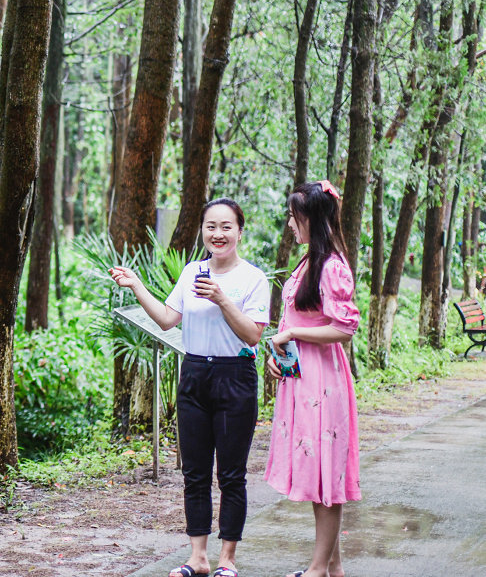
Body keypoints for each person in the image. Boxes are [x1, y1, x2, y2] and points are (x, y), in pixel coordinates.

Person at [110, 199, 269, 577]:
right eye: (211, 226)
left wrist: (222, 299)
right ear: (202, 230)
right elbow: (167, 320)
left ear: (239, 232)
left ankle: (227, 559)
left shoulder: (253, 278)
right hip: (195, 374)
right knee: (195, 472)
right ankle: (197, 557)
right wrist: (137, 286)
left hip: (235, 377)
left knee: (230, 473)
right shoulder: (191, 272)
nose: (218, 234)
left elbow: (253, 335)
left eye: (226, 227)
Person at [265, 180, 360, 577]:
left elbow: (344, 328)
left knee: (327, 472)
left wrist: (292, 334)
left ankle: (318, 569)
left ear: (314, 220)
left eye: (295, 216)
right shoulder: (309, 262)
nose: (290, 223)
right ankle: (332, 566)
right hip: (302, 379)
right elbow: (298, 318)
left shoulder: (332, 266)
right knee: (316, 469)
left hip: (324, 381)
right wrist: (279, 357)